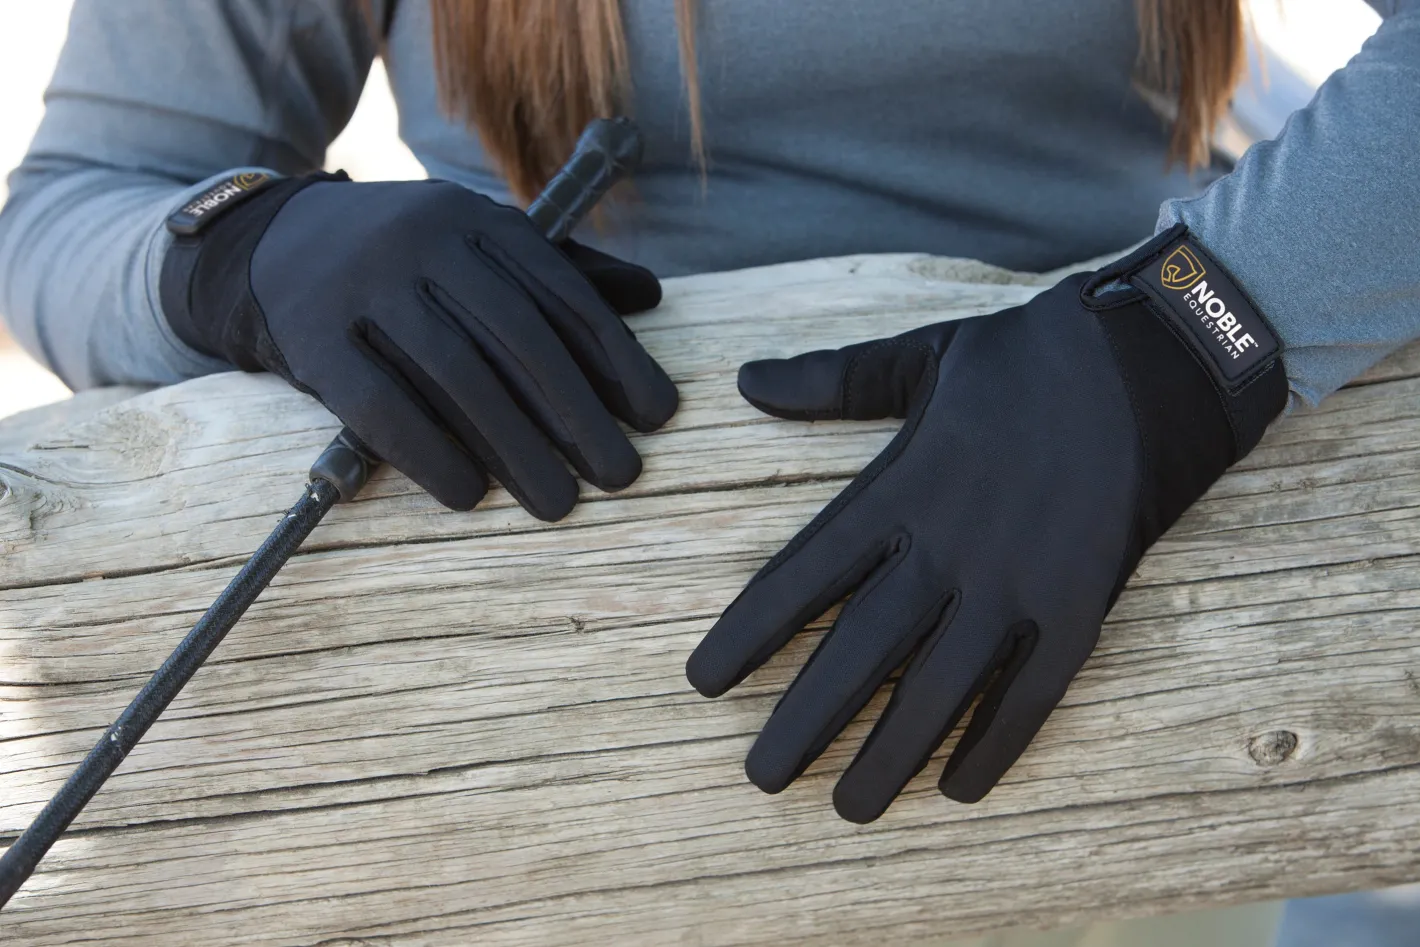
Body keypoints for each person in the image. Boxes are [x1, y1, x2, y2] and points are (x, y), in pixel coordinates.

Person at [0, 0, 1415, 940]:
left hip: (1097, 672)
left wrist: (1187, 337)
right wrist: (238, 249)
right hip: (531, 757)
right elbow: (76, 204)